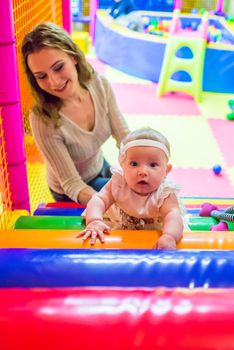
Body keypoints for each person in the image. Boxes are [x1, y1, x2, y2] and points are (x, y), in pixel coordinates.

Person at [21, 22, 129, 205]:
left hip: (100, 165)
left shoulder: (99, 85)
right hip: (71, 190)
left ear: (73, 57)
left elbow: (124, 137)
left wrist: (146, 167)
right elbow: (72, 183)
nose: (54, 82)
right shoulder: (42, 118)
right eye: (41, 76)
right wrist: (110, 204)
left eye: (58, 67)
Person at [77, 127, 184, 249]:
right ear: (123, 166)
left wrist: (169, 236)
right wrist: (94, 220)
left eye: (153, 165)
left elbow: (173, 214)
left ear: (166, 170)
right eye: (134, 164)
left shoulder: (165, 192)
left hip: (153, 229)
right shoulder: (119, 183)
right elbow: (99, 199)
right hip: (121, 223)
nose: (143, 171)